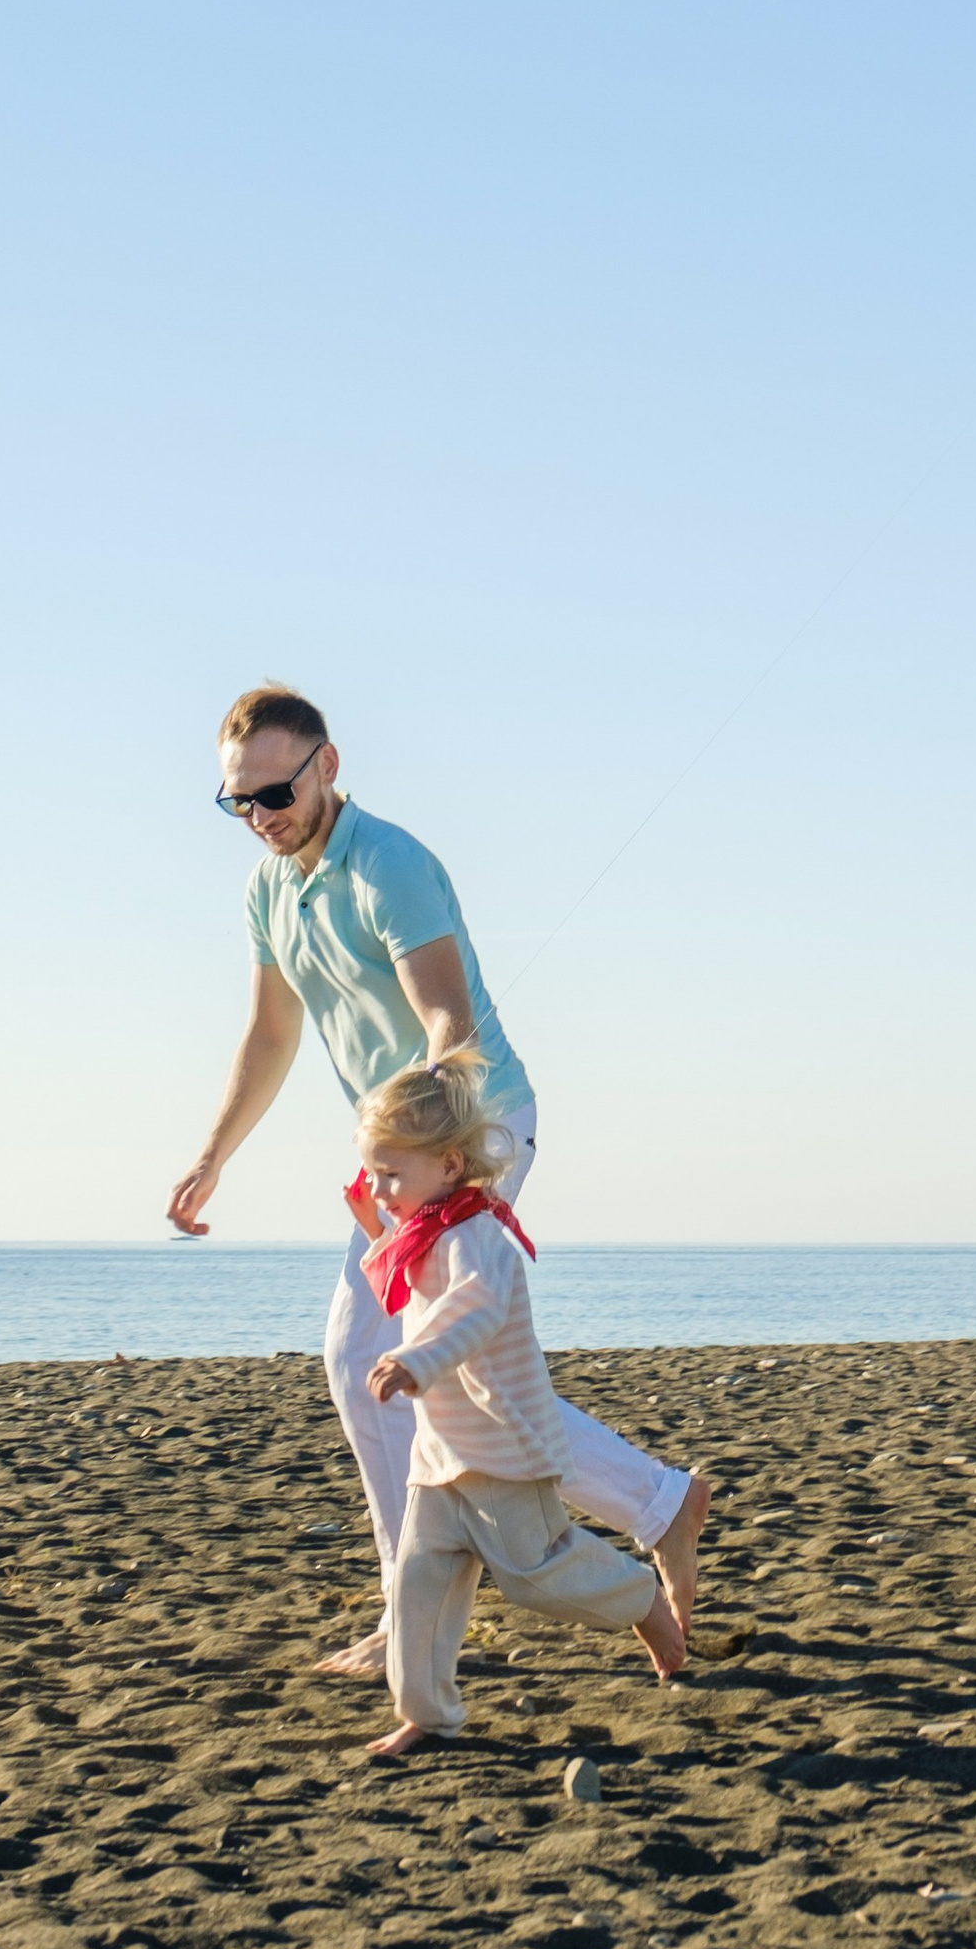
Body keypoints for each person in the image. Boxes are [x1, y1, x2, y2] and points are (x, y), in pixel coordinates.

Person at [165, 682, 709, 1679]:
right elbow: (272, 1032)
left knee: (386, 1363)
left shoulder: (390, 866)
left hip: (472, 1128)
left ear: (327, 767)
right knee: (390, 1370)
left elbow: (447, 1034)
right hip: (402, 1152)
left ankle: (414, 1616)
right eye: (236, 801)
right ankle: (655, 1504)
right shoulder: (268, 891)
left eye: (274, 792)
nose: (259, 816)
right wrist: (213, 1155)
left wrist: (433, 1179)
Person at [350, 1052, 684, 1757]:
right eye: (374, 1172)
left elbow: (469, 1314)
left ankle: (643, 1602)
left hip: (505, 1446)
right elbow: (402, 1287)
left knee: (536, 1575)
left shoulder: (482, 1235)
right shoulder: (424, 1230)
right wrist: (376, 1230)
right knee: (418, 1589)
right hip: (440, 1454)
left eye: (391, 1174)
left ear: (447, 1165)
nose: (380, 1187)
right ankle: (428, 1714)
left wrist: (415, 1361)